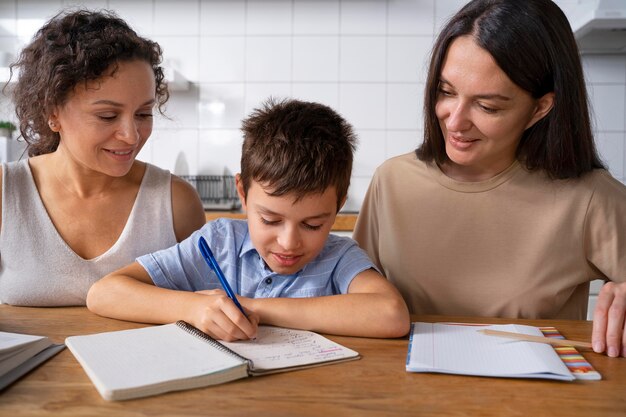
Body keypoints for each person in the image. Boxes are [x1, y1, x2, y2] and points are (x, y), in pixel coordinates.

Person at [353, 0, 626, 357]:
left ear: (540, 108)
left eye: (488, 106)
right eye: (446, 92)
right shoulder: (393, 181)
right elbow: (350, 298)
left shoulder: (589, 197)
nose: (454, 121)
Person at [87, 98, 410, 341]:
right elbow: (104, 293)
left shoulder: (339, 257)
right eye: (270, 220)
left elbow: (391, 315)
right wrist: (193, 308)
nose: (288, 242)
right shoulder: (217, 242)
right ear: (242, 192)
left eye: (313, 225)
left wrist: (253, 307)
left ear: (339, 204)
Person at [0, 10, 206, 306]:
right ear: (52, 112)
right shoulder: (5, 194)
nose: (132, 136)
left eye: (143, 114)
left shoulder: (177, 203)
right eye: (107, 116)